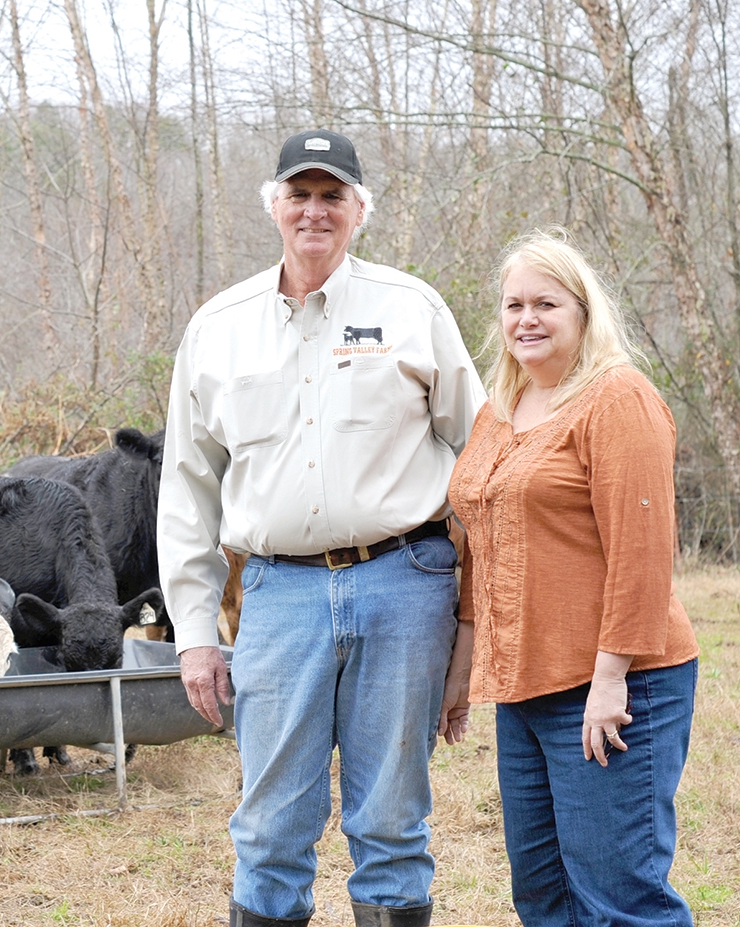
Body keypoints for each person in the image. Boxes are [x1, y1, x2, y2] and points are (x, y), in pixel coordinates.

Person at [157, 128, 486, 927]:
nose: (314, 211)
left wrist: (475, 619)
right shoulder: (218, 328)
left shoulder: (413, 309)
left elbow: (482, 457)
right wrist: (196, 631)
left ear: (360, 210)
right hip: (278, 592)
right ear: (273, 206)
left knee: (392, 825)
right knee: (270, 828)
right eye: (299, 195)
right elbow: (186, 491)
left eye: (332, 195)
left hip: (404, 581)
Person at [447, 227, 700, 926]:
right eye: (513, 305)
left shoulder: (616, 398)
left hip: (612, 684)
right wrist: (464, 674)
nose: (526, 319)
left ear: (583, 313)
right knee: (544, 894)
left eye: (546, 304)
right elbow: (482, 545)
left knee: (620, 898)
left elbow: (643, 550)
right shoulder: (501, 409)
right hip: (524, 685)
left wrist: (611, 677)